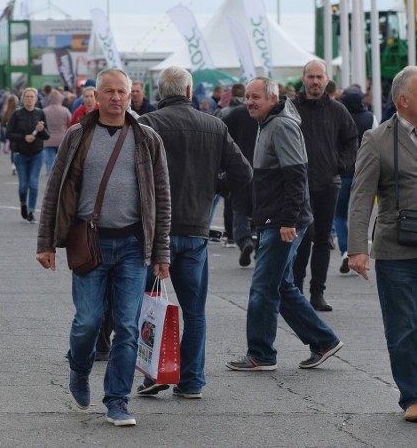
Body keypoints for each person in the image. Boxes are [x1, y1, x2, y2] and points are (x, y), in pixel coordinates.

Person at [36, 68, 171, 427]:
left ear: (131, 95)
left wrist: (161, 253)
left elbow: (162, 198)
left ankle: (117, 400)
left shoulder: (147, 138)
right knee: (89, 321)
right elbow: (55, 189)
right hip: (89, 243)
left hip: (132, 245)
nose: (115, 98)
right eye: (108, 91)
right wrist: (45, 242)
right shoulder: (79, 135)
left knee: (127, 327)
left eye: (121, 92)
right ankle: (79, 370)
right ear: (96, 95)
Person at [136, 67, 252, 399]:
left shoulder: (149, 124)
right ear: (190, 92)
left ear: (160, 92)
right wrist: (214, 188)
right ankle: (191, 380)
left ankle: (155, 372)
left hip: (156, 230)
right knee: (195, 311)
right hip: (196, 229)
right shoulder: (214, 126)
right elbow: (243, 174)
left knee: (149, 305)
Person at [226, 77, 343, 372]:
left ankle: (261, 354)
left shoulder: (281, 126)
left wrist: (288, 220)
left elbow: (296, 176)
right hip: (273, 218)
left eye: (256, 97)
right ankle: (324, 341)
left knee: (264, 287)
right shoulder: (269, 123)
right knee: (281, 285)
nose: (250, 101)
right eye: (248, 96)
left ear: (272, 98)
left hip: (283, 221)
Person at [348, 66, 417, 423]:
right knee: (404, 325)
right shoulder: (376, 140)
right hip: (396, 249)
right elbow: (361, 197)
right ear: (404, 100)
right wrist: (357, 247)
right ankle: (412, 397)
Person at [292, 60, 358, 311]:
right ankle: (295, 290)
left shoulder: (338, 110)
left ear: (327, 79)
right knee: (301, 237)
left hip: (328, 184)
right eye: (311, 77)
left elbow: (351, 141)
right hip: (298, 185)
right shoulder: (290, 108)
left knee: (322, 240)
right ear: (304, 78)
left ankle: (317, 293)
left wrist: (339, 165)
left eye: (319, 77)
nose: (315, 82)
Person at [334, 86, 377, 273]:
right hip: (365, 172)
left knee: (340, 214)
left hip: (342, 171)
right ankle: (358, 250)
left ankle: (345, 250)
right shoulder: (370, 118)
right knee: (359, 213)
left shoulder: (338, 116)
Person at [221, 84, 259, 267]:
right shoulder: (267, 113)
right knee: (263, 211)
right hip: (263, 170)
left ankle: (244, 241)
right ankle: (260, 244)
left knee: (240, 210)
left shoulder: (237, 113)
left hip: (241, 169)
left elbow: (221, 131)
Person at [5, 88, 49, 223]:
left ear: (36, 99)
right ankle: (23, 203)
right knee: (23, 185)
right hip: (21, 154)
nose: (30, 99)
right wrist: (24, 137)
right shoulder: (17, 114)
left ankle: (31, 211)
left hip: (37, 153)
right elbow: (8, 134)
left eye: (32, 97)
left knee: (34, 183)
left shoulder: (40, 113)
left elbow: (46, 136)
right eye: (27, 96)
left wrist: (41, 131)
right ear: (23, 99)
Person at [42, 89, 71, 174]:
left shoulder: (44, 111)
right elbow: (70, 122)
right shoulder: (65, 110)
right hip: (62, 139)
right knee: (62, 160)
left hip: (48, 139)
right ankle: (60, 175)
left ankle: (50, 176)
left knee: (50, 160)